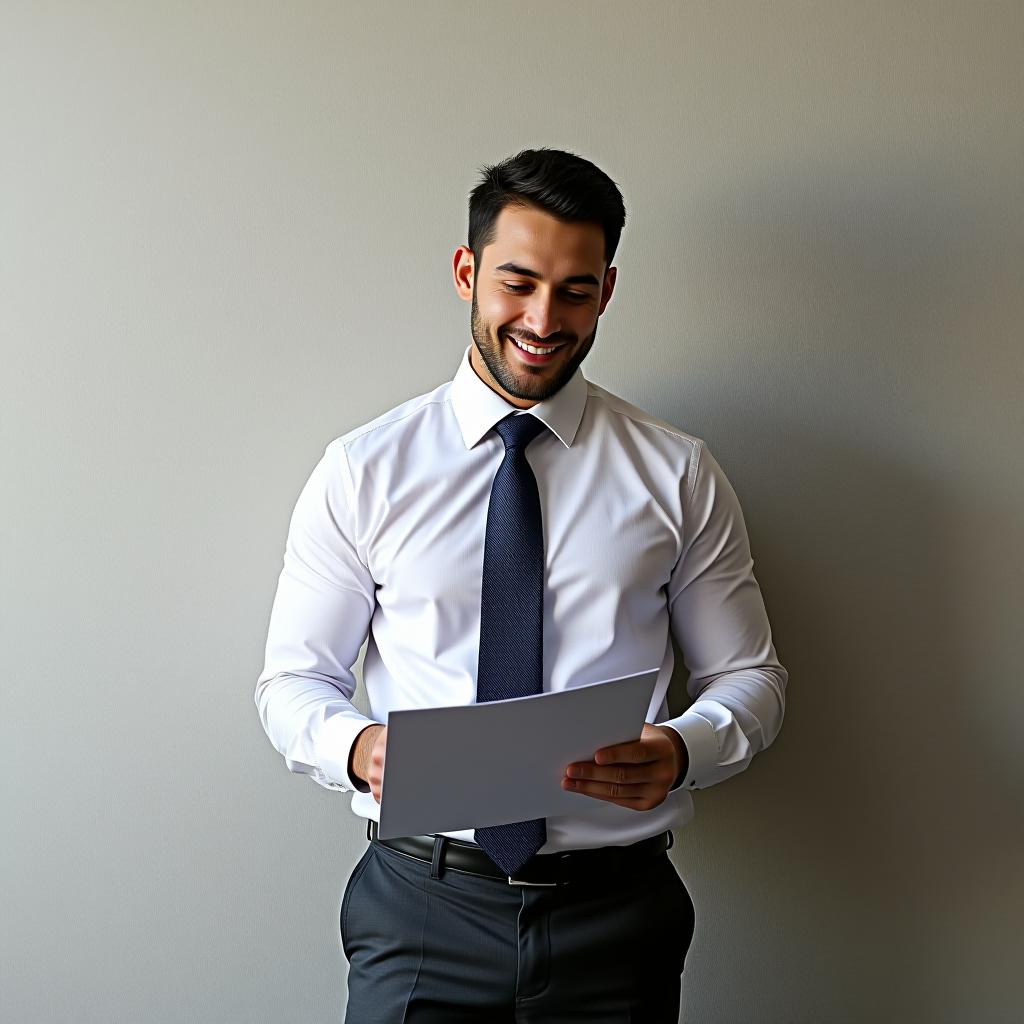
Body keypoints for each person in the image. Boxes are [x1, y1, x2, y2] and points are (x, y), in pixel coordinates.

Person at [255, 147, 787, 1023]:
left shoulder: (677, 472)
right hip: (423, 907)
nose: (544, 318)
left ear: (607, 290)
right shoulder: (363, 471)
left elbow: (753, 680)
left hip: (617, 916)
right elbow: (291, 683)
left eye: (576, 290)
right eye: (518, 282)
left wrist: (685, 750)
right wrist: (359, 750)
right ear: (467, 271)